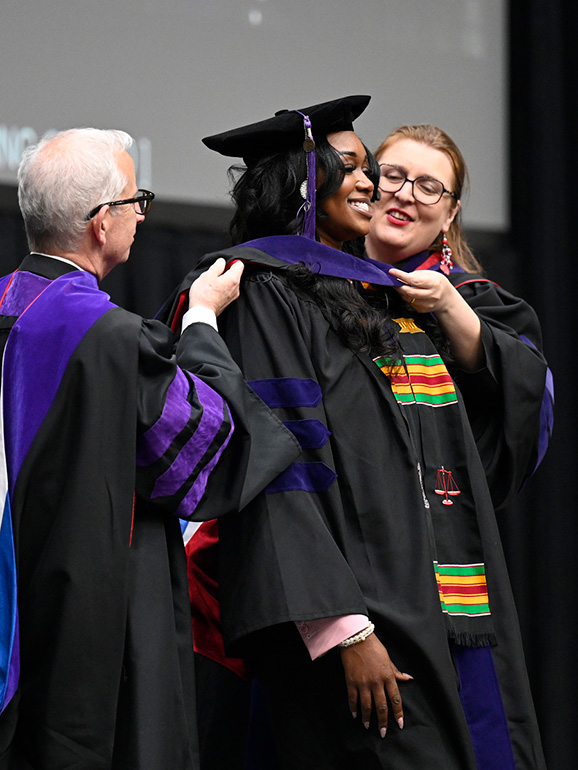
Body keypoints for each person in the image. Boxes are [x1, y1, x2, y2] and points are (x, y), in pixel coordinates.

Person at [160, 97, 550, 769]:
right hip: (359, 618)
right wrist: (344, 628)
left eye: (419, 184)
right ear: (303, 181)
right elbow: (283, 467)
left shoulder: (389, 300)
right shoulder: (265, 290)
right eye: (361, 167)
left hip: (427, 605)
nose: (377, 185)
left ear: (453, 213)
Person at [0, 128, 299, 770]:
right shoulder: (107, 339)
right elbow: (210, 448)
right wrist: (202, 321)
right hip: (94, 629)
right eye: (138, 201)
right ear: (101, 224)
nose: (142, 213)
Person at [365, 123, 554, 507]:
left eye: (429, 187)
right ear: (366, 182)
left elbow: (523, 396)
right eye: (392, 176)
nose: (405, 194)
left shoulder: (477, 301)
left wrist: (450, 306)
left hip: (423, 517)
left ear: (450, 214)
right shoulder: (308, 280)